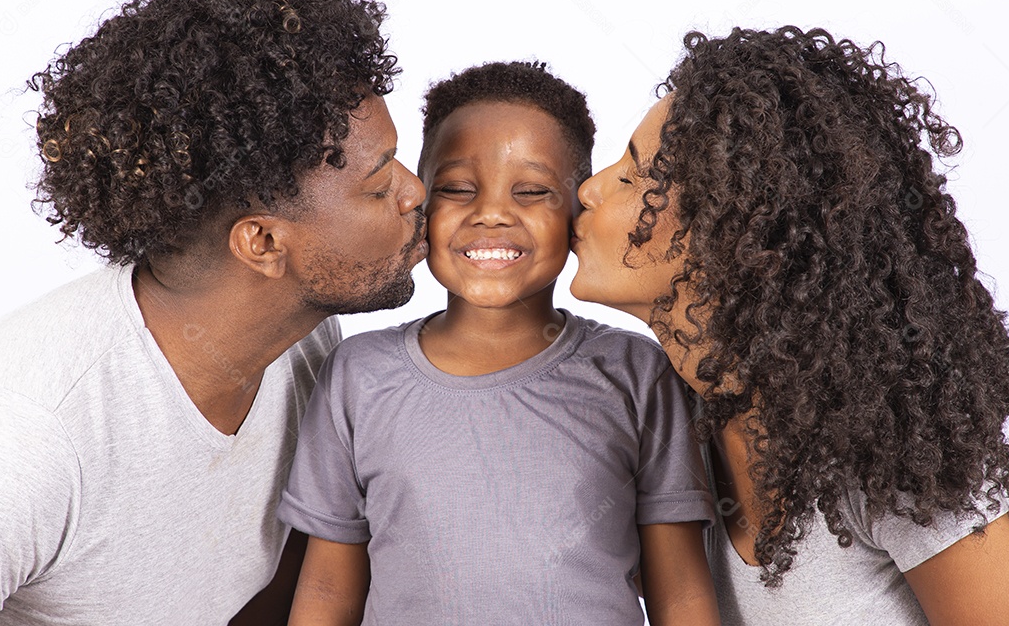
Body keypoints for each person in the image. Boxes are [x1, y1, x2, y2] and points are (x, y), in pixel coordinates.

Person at [0, 0, 428, 625]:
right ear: (261, 242)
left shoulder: (308, 345)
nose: (417, 193)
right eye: (379, 187)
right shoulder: (20, 439)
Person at [570, 25, 1009, 624]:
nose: (588, 190)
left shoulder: (897, 460)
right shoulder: (665, 427)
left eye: (633, 177)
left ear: (732, 233)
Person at [275, 61, 720, 624]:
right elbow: (326, 594)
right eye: (458, 189)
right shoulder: (357, 375)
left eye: (532, 191)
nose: (491, 214)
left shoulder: (636, 374)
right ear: (422, 205)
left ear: (577, 212)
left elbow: (679, 591)